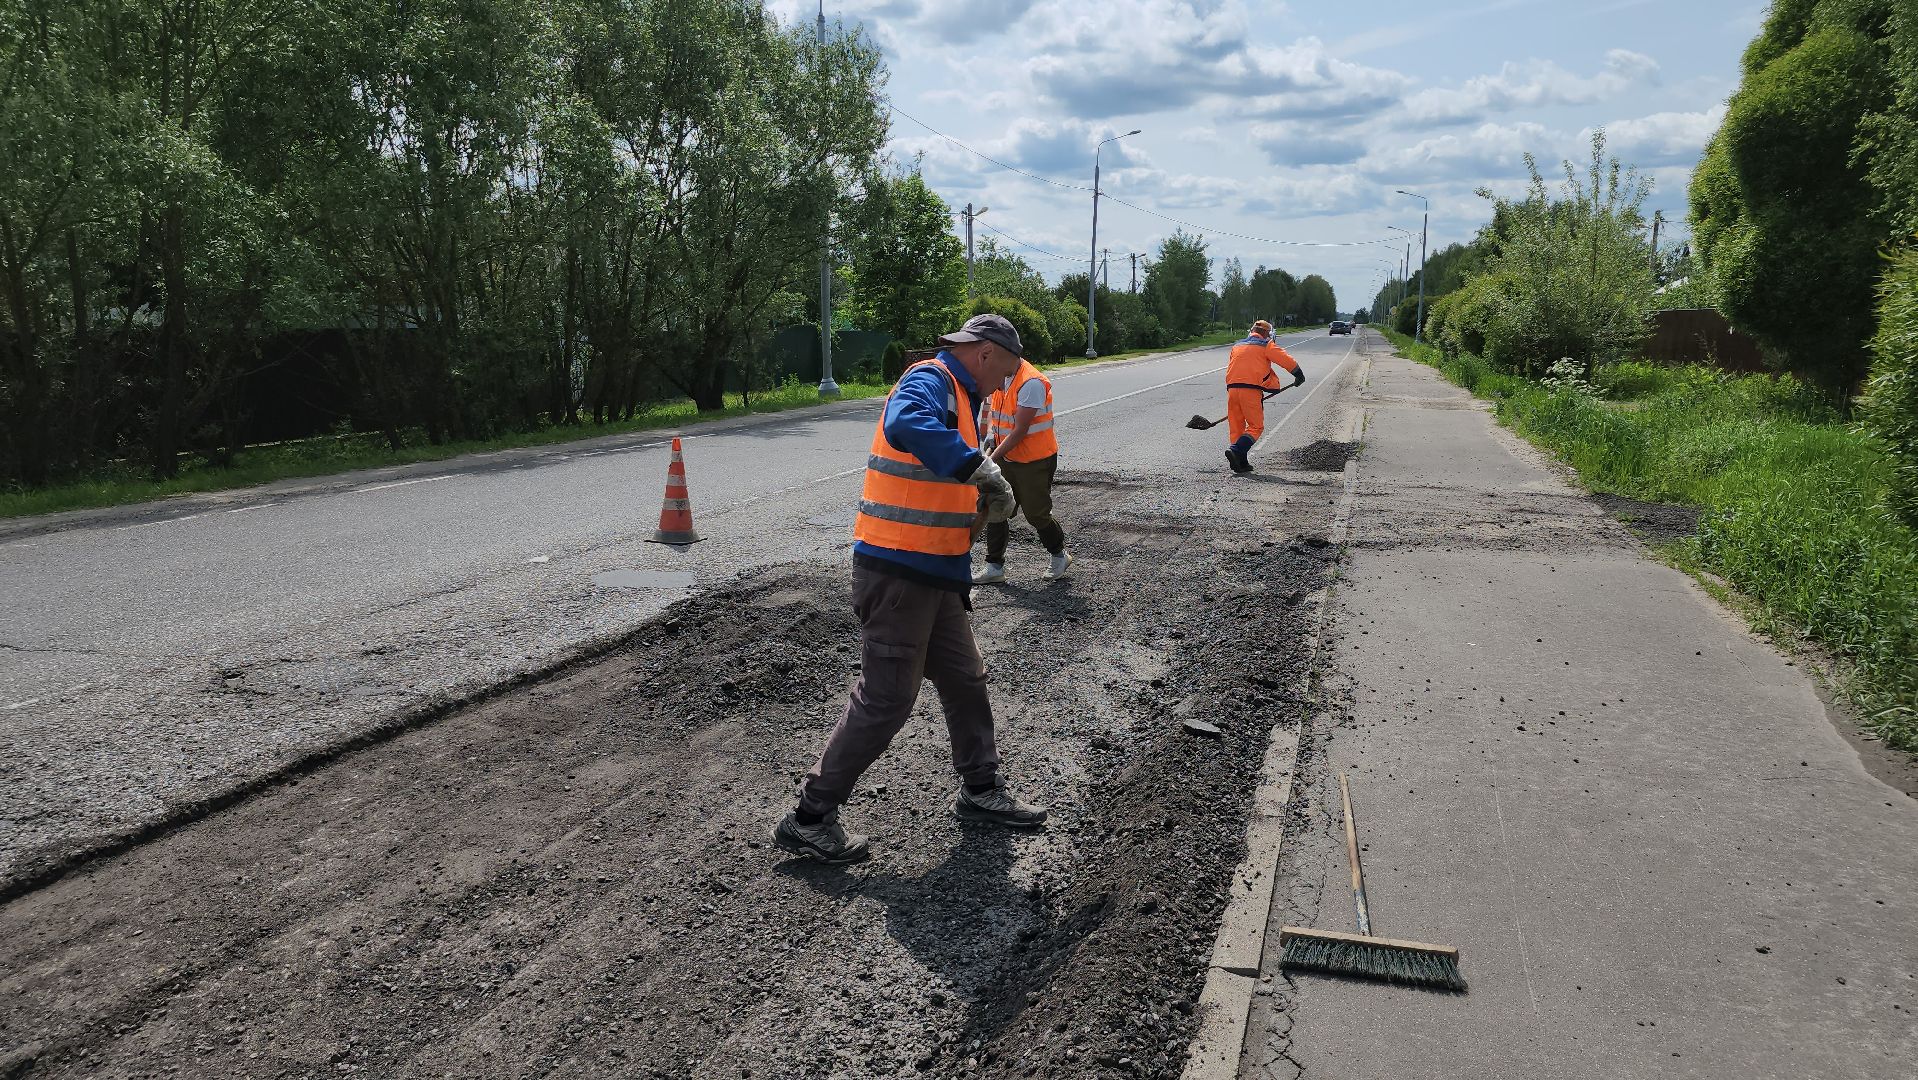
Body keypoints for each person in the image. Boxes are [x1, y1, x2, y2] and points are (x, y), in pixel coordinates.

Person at [774, 314, 1050, 864]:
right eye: (1005, 372)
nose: (1005, 384)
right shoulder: (929, 380)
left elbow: (937, 485)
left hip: (936, 574)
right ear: (985, 354)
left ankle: (980, 789)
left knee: (965, 679)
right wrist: (979, 470)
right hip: (899, 572)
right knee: (888, 698)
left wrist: (975, 500)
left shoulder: (964, 398)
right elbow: (906, 423)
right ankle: (810, 817)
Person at [974, 354, 1073, 584]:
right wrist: (991, 438)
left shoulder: (1031, 383)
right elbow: (997, 415)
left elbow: (1019, 431)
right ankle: (994, 566)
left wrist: (989, 461)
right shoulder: (1000, 376)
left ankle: (1059, 555)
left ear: (1008, 355)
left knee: (1036, 513)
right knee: (996, 506)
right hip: (1006, 456)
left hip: (1034, 461)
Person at [1224, 319, 1304, 474]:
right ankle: (1236, 450)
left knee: (1237, 426)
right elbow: (1285, 359)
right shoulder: (1266, 345)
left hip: (1232, 389)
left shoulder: (1237, 345)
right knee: (1255, 427)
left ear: (1252, 331)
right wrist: (1298, 374)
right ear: (1267, 333)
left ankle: (1241, 462)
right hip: (1251, 390)